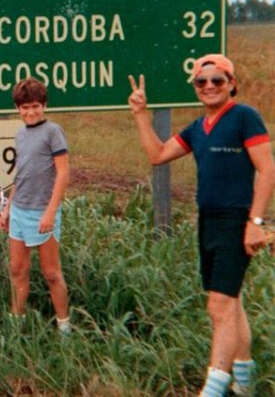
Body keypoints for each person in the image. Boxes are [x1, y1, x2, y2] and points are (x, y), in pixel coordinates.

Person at [128, 54, 273, 396]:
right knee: (230, 300)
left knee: (218, 305)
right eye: (201, 81)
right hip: (207, 220)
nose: (209, 86)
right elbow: (157, 155)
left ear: (231, 84)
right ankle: (245, 381)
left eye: (217, 80)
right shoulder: (197, 128)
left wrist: (255, 222)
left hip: (236, 220)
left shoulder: (245, 117)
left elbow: (268, 169)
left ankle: (214, 387)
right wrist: (140, 114)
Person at [0, 78, 70, 332]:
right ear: (18, 108)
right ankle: (17, 326)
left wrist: (50, 212)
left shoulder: (53, 132)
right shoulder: (19, 134)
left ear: (44, 105)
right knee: (17, 270)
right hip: (19, 210)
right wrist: (8, 207)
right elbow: (21, 174)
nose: (30, 112)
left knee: (51, 273)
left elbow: (63, 173)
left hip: (43, 212)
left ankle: (65, 329)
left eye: (36, 106)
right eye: (25, 107)